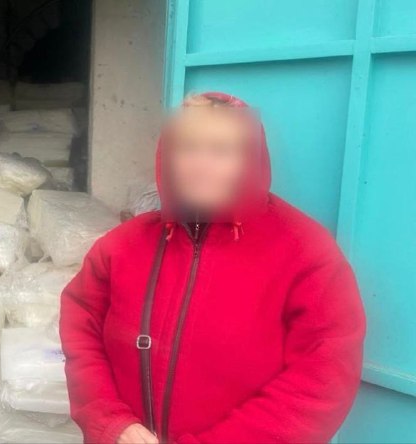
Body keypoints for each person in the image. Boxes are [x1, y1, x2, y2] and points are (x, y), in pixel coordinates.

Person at [60, 92, 365, 444]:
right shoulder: (122, 246)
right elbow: (80, 328)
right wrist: (109, 420)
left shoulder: (305, 251)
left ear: (250, 158)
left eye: (221, 151)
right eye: (187, 148)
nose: (200, 166)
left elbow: (322, 378)